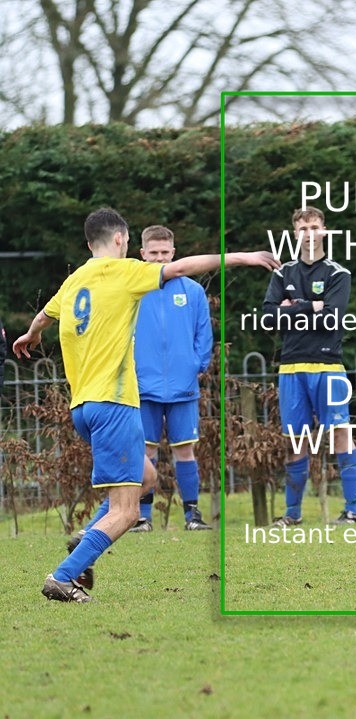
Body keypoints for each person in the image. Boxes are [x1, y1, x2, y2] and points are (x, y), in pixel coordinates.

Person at [13, 207, 277, 602]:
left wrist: (31, 335)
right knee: (126, 511)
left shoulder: (74, 280)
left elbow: (44, 317)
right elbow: (181, 268)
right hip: (114, 405)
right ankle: (63, 577)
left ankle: (87, 538)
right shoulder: (125, 272)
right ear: (121, 239)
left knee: (147, 478)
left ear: (89, 243)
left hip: (83, 407)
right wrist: (244, 256)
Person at [262, 206, 356, 527]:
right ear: (295, 233)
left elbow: (332, 318)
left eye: (315, 227)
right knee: (296, 441)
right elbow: (268, 318)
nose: (309, 234)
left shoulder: (338, 274)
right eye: (303, 228)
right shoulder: (283, 273)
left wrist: (293, 307)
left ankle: (353, 510)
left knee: (340, 434)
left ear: (324, 231)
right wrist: (313, 306)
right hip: (291, 367)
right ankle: (292, 514)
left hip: (328, 365)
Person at [130, 225, 213, 531]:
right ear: (142, 254)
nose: (160, 258)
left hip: (183, 385)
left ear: (174, 253)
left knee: (185, 450)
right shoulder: (133, 291)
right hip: (143, 385)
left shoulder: (193, 291)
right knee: (146, 452)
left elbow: (203, 333)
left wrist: (196, 365)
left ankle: (192, 516)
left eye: (165, 252)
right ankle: (142, 517)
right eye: (154, 253)